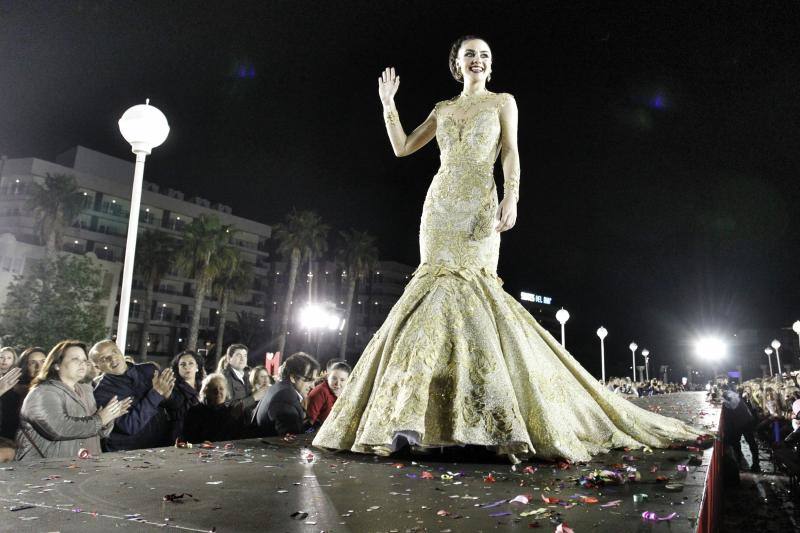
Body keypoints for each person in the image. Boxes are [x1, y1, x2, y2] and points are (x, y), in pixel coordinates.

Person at [313, 35, 701, 463]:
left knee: (476, 296)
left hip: (480, 205)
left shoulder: (503, 102)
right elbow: (403, 147)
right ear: (456, 65)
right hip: (440, 209)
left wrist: (512, 195)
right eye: (469, 55)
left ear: (490, 66)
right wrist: (388, 103)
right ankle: (414, 421)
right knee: (431, 298)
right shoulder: (442, 109)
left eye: (484, 56)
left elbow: (511, 153)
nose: (477, 60)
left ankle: (492, 421)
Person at [15, 341, 131, 460]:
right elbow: (59, 429)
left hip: (83, 467)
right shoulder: (43, 392)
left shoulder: (87, 390)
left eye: (85, 360)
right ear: (57, 365)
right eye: (75, 359)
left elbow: (97, 433)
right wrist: (100, 419)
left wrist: (109, 418)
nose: (82, 363)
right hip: (47, 471)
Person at [90, 340, 176, 451]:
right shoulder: (101, 393)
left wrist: (168, 396)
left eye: (114, 352)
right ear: (98, 367)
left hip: (161, 445)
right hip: (128, 453)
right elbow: (130, 426)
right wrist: (156, 393)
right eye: (104, 359)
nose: (112, 359)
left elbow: (175, 406)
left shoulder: (149, 370)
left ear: (120, 351)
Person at [254, 352, 319, 436]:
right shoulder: (286, 397)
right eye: (309, 379)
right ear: (292, 377)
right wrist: (314, 431)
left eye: (314, 381)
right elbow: (292, 439)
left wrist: (313, 426)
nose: (313, 386)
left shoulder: (280, 387)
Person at [0, 347, 46, 439]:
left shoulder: (57, 389)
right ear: (25, 366)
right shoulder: (11, 390)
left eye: (43, 361)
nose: (39, 367)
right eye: (32, 362)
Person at [182, 373, 243, 443]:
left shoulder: (230, 411)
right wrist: (232, 418)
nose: (218, 392)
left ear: (226, 391)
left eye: (221, 388)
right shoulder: (195, 412)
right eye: (214, 389)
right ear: (205, 391)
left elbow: (237, 439)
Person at [218, 344, 266, 420]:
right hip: (233, 426)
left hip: (247, 423)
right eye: (238, 355)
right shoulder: (224, 377)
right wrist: (254, 397)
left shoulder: (247, 376)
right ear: (229, 358)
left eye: (245, 355)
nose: (242, 359)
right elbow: (228, 407)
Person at [166, 350, 204, 441]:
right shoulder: (173, 388)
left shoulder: (204, 387)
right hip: (180, 434)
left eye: (191, 363)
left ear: (197, 367)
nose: (187, 367)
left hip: (202, 432)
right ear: (177, 369)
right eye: (182, 364)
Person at [307, 361, 351, 426]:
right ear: (328, 377)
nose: (337, 384)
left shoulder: (347, 392)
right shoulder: (320, 392)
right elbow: (308, 424)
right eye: (334, 378)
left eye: (342, 380)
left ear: (348, 380)